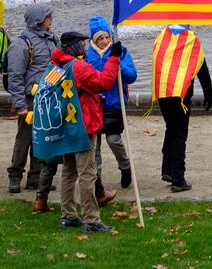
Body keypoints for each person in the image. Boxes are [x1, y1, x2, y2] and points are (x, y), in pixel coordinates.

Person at [33, 31, 122, 232]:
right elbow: (103, 82)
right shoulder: (78, 67)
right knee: (87, 173)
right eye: (81, 44)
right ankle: (92, 219)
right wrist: (114, 58)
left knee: (69, 171)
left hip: (67, 126)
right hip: (83, 125)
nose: (84, 47)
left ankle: (69, 215)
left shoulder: (55, 66)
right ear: (74, 46)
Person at [151, 24, 212, 192]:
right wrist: (209, 93)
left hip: (163, 93)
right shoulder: (191, 39)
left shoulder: (162, 37)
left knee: (170, 128)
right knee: (179, 134)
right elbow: (201, 67)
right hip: (181, 95)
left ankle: (168, 170)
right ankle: (178, 178)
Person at [7, 3, 57, 200]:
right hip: (30, 99)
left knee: (41, 138)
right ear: (38, 20)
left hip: (47, 97)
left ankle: (35, 178)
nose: (51, 19)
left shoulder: (51, 39)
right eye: (47, 16)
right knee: (24, 139)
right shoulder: (21, 43)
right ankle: (15, 176)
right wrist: (20, 105)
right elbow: (15, 76)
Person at [86, 16, 137, 200]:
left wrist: (118, 63)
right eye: (101, 38)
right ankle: (97, 182)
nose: (105, 41)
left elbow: (132, 75)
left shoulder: (120, 50)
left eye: (107, 37)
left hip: (115, 104)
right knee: (94, 147)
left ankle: (125, 166)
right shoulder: (87, 54)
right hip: (94, 105)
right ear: (94, 39)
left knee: (114, 140)